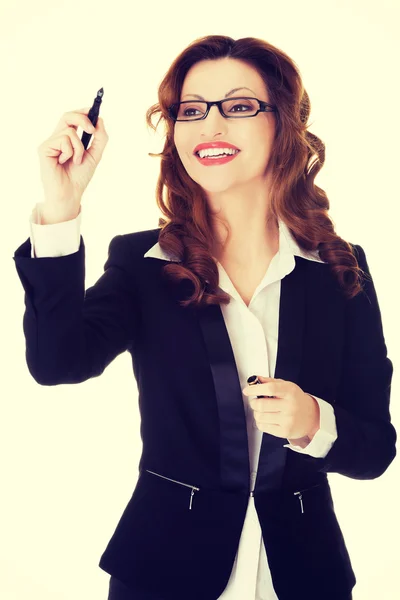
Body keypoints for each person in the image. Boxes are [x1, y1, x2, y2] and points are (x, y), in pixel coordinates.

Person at [13, 34, 396, 600]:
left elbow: (375, 451)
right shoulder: (145, 264)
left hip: (303, 575)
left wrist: (314, 420)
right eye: (191, 111)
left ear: (283, 124)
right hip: (164, 570)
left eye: (238, 107)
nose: (210, 126)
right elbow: (56, 363)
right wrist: (62, 209)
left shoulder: (339, 269)